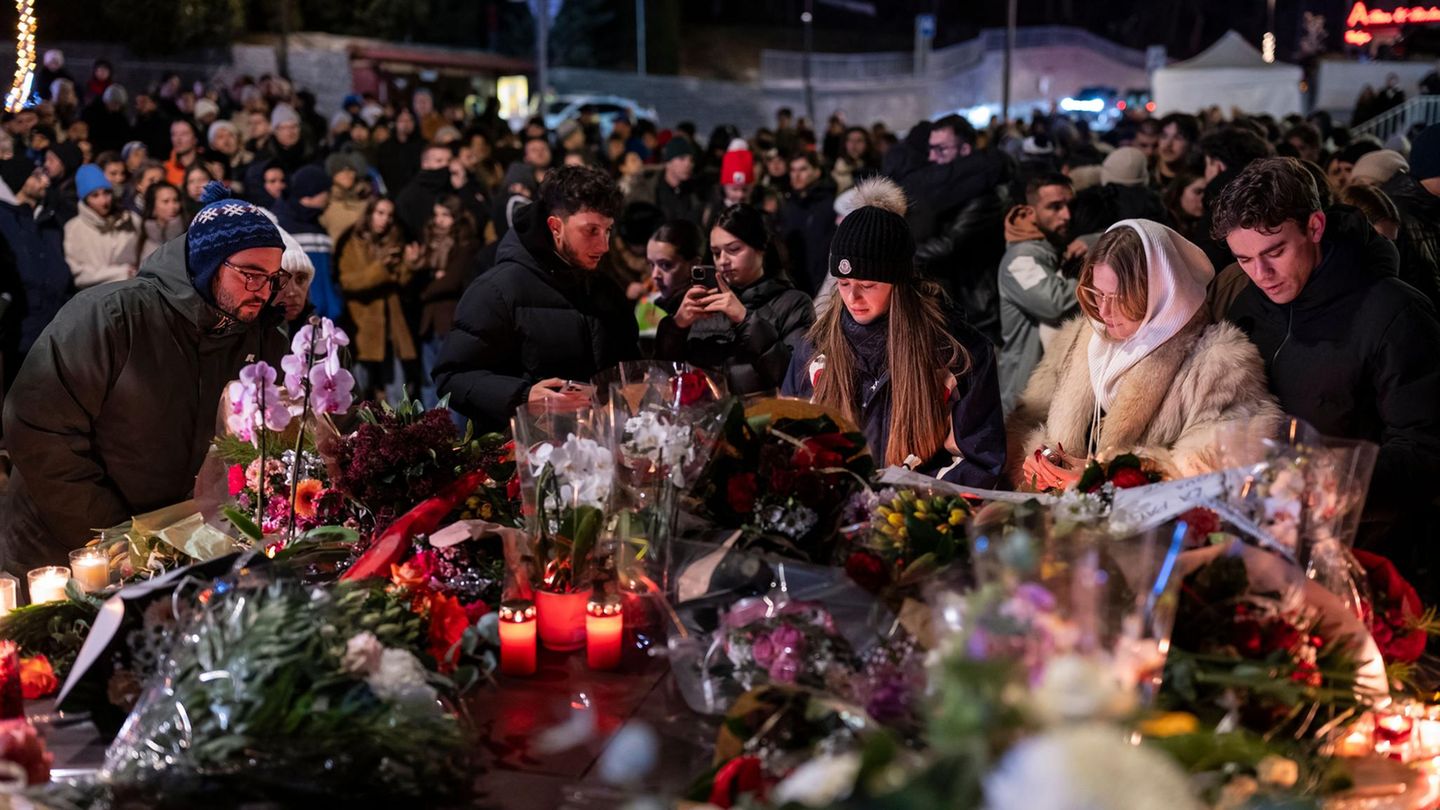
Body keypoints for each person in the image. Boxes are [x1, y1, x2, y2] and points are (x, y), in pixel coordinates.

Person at [0, 182, 289, 572]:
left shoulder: (256, 336)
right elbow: (37, 427)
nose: (264, 291)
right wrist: (111, 534)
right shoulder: (112, 317)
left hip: (165, 550)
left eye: (273, 278)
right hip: (58, 547)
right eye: (250, 274)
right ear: (207, 264)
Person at [1216, 157, 1440, 594]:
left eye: (1276, 252)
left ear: (1315, 227)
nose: (1262, 274)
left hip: (1369, 555)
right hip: (1266, 543)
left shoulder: (1394, 313)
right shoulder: (1247, 304)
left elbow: (1426, 448)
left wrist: (1332, 481)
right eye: (1244, 259)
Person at [1009, 220, 1280, 490]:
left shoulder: (1219, 364)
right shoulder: (1078, 339)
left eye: (1118, 297)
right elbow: (1027, 421)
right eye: (1098, 294)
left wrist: (1107, 477)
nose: (1103, 312)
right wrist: (1040, 462)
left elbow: (1213, 469)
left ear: (1160, 291)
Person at [783, 178, 1005, 486]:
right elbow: (788, 445)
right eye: (843, 284)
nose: (852, 298)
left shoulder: (958, 355)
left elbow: (978, 461)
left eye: (868, 285)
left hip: (915, 519)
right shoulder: (814, 351)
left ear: (899, 283)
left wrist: (904, 498)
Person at [434, 165, 638, 431]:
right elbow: (451, 376)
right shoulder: (497, 290)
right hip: (523, 457)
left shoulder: (605, 288)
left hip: (599, 449)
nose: (604, 246)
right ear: (556, 226)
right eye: (591, 231)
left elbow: (630, 367)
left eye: (608, 230)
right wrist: (523, 396)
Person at [655, 203, 813, 395]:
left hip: (762, 417)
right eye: (716, 253)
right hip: (704, 418)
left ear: (760, 248)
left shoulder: (793, 303)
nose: (723, 260)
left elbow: (796, 379)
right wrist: (677, 326)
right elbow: (663, 375)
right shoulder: (703, 299)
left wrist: (746, 320)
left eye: (733, 249)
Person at [996, 172, 1080, 413]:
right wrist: (1096, 279)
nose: (1067, 215)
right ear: (1029, 212)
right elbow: (1054, 303)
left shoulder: (1053, 248)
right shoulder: (1020, 259)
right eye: (1055, 207)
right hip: (1027, 396)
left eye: (1069, 205)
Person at [336, 197, 418, 401]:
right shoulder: (353, 241)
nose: (385, 220)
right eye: (380, 213)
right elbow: (349, 282)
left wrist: (409, 264)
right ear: (370, 213)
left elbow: (401, 283)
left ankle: (400, 431)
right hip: (364, 324)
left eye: (390, 215)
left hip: (391, 326)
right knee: (358, 389)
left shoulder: (395, 240)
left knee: (398, 392)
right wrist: (380, 268)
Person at [0, 158, 70, 391]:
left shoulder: (49, 218)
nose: (45, 180)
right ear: (20, 181)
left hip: (54, 323)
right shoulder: (4, 219)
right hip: (19, 325)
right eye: (37, 175)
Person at [410, 194, 479, 406]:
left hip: (449, 319)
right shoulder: (430, 243)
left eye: (445, 215)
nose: (439, 220)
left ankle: (453, 434)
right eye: (437, 214)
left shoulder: (466, 244)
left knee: (449, 382)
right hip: (429, 322)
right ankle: (431, 430)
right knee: (429, 380)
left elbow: (452, 280)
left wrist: (424, 291)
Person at [270, 164, 341, 322]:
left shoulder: (319, 227)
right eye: (326, 192)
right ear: (312, 192)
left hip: (328, 315)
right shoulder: (282, 225)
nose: (329, 197)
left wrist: (335, 302)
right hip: (298, 316)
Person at [63, 164, 140, 289]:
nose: (104, 201)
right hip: (95, 300)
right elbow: (79, 275)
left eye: (107, 193)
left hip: (131, 294)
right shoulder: (73, 229)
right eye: (95, 195)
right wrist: (121, 273)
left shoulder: (130, 220)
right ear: (85, 199)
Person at [778, 151, 837, 296]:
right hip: (793, 283)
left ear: (816, 172)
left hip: (821, 284)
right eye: (793, 170)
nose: (796, 175)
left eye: (803, 169)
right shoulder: (787, 205)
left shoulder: (830, 205)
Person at [640, 218, 704, 330]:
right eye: (651, 264)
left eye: (666, 265)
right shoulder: (656, 304)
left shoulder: (703, 313)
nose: (655, 275)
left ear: (694, 265)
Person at [627, 137, 702, 226]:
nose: (688, 164)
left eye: (691, 160)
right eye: (682, 158)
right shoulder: (646, 189)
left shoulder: (693, 192)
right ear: (668, 162)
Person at [395, 143, 453, 241]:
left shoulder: (453, 188)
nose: (445, 165)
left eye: (448, 161)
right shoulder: (410, 195)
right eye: (439, 161)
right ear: (425, 164)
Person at [136, 181, 186, 262]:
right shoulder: (140, 235)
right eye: (166, 201)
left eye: (175, 200)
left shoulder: (188, 233)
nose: (173, 206)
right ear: (153, 206)